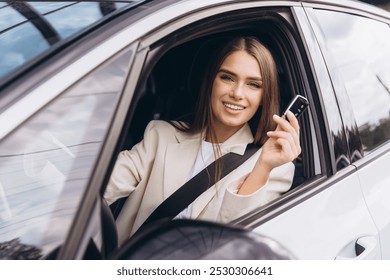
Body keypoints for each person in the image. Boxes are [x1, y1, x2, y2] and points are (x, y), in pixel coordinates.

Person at [104, 36, 301, 244]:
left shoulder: (275, 168)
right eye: (227, 78)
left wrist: (262, 167)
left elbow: (232, 243)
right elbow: (105, 186)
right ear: (211, 82)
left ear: (264, 97)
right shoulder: (160, 135)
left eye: (253, 84)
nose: (237, 93)